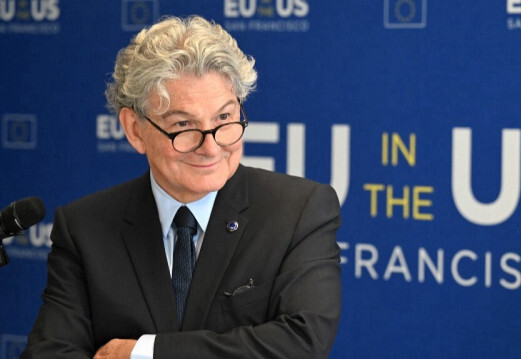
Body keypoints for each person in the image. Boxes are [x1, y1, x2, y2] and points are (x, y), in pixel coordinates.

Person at [22, 15, 341, 359]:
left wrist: (146, 353)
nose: (211, 146)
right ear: (134, 129)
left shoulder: (299, 211)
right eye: (184, 125)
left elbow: (302, 342)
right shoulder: (84, 228)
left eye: (224, 119)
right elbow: (50, 352)